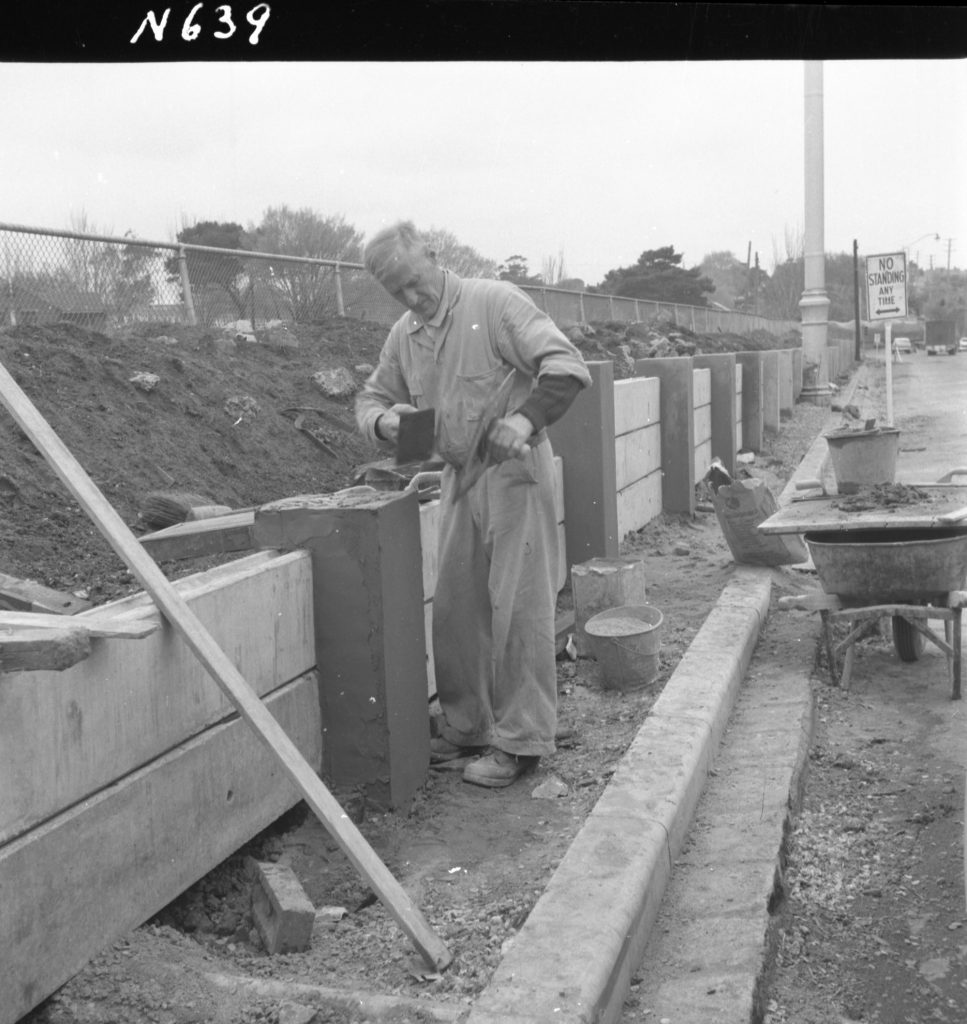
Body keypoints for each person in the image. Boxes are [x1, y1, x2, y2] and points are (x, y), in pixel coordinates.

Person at [355, 221, 592, 788]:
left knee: (520, 607)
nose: (413, 299)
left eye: (416, 282)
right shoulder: (405, 336)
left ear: (433, 256)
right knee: (457, 609)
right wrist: (384, 422)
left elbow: (567, 366)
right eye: (399, 293)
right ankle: (467, 727)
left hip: (514, 474)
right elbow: (370, 397)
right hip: (460, 478)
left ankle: (523, 741)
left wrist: (522, 419)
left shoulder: (494, 302)